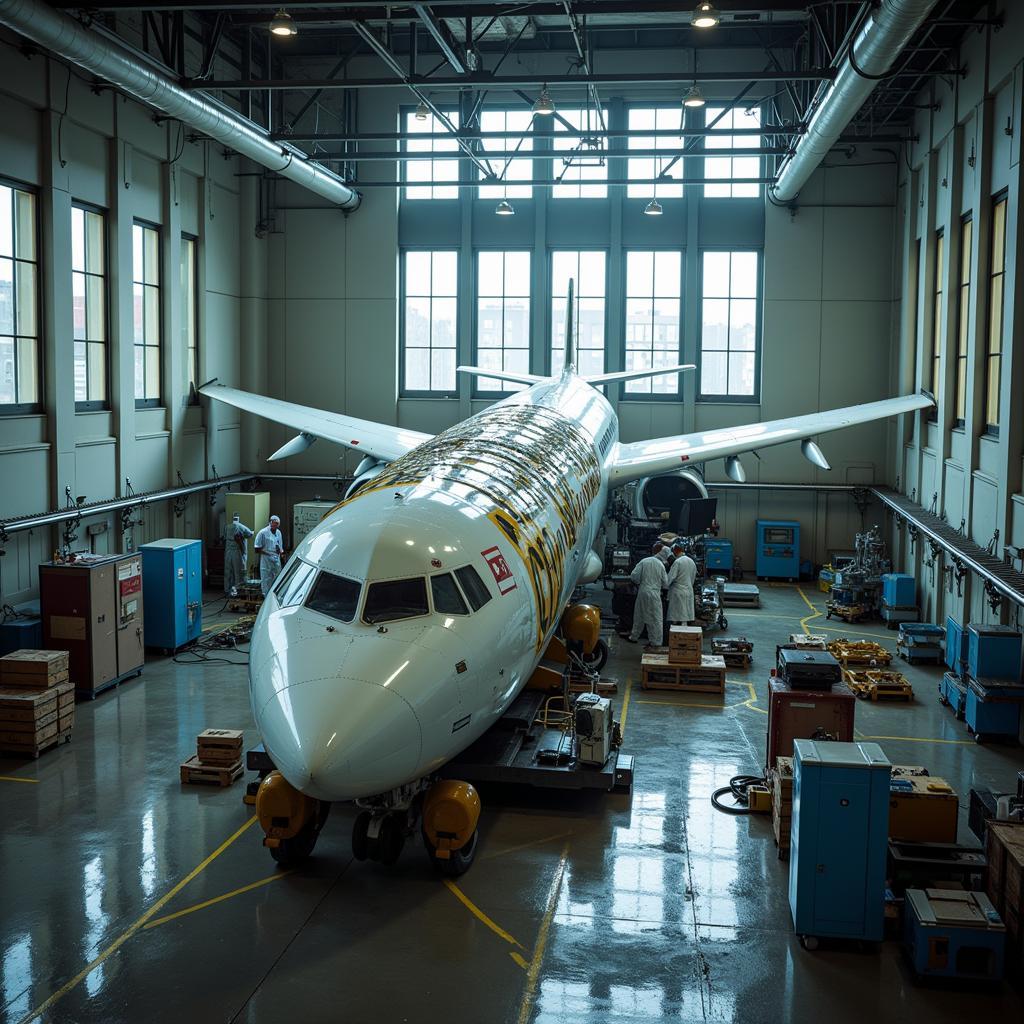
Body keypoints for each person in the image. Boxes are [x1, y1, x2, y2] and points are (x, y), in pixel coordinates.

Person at [627, 544, 668, 647]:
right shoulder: (660, 565)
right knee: (655, 618)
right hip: (654, 593)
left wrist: (639, 582)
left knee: (639, 615)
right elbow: (665, 584)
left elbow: (634, 576)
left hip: (643, 591)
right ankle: (656, 642)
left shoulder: (644, 561)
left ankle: (634, 637)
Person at [254, 515, 287, 596]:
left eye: (277, 524)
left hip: (276, 558)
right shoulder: (262, 533)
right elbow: (257, 549)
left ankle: (275, 596)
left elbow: (280, 546)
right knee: (266, 578)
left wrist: (282, 555)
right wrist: (269, 554)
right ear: (270, 522)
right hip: (266, 559)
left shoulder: (278, 532)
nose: (276, 526)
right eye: (275, 523)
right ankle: (265, 596)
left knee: (277, 577)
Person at [667, 542, 698, 625]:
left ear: (675, 552)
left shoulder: (677, 562)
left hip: (678, 592)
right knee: (685, 617)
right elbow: (693, 579)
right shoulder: (691, 561)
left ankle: (676, 635)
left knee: (676, 617)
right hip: (688, 590)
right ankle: (684, 634)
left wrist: (664, 585)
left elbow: (670, 578)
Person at [224, 513, 254, 597]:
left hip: (228, 552)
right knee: (238, 572)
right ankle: (239, 592)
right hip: (237, 552)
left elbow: (224, 537)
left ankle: (228, 591)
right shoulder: (241, 527)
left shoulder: (227, 527)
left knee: (228, 572)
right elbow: (250, 534)